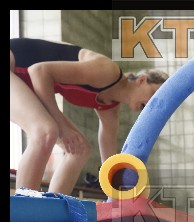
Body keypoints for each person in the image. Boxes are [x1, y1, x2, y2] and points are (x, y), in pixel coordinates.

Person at [10, 37, 169, 195]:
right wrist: (63, 127)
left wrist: (121, 189)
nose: (153, 103)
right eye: (154, 94)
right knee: (46, 131)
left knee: (80, 149)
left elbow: (109, 163)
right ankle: (24, 205)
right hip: (16, 66)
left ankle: (54, 207)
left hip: (24, 81)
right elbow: (38, 71)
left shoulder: (110, 107)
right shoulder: (108, 72)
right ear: (142, 80)